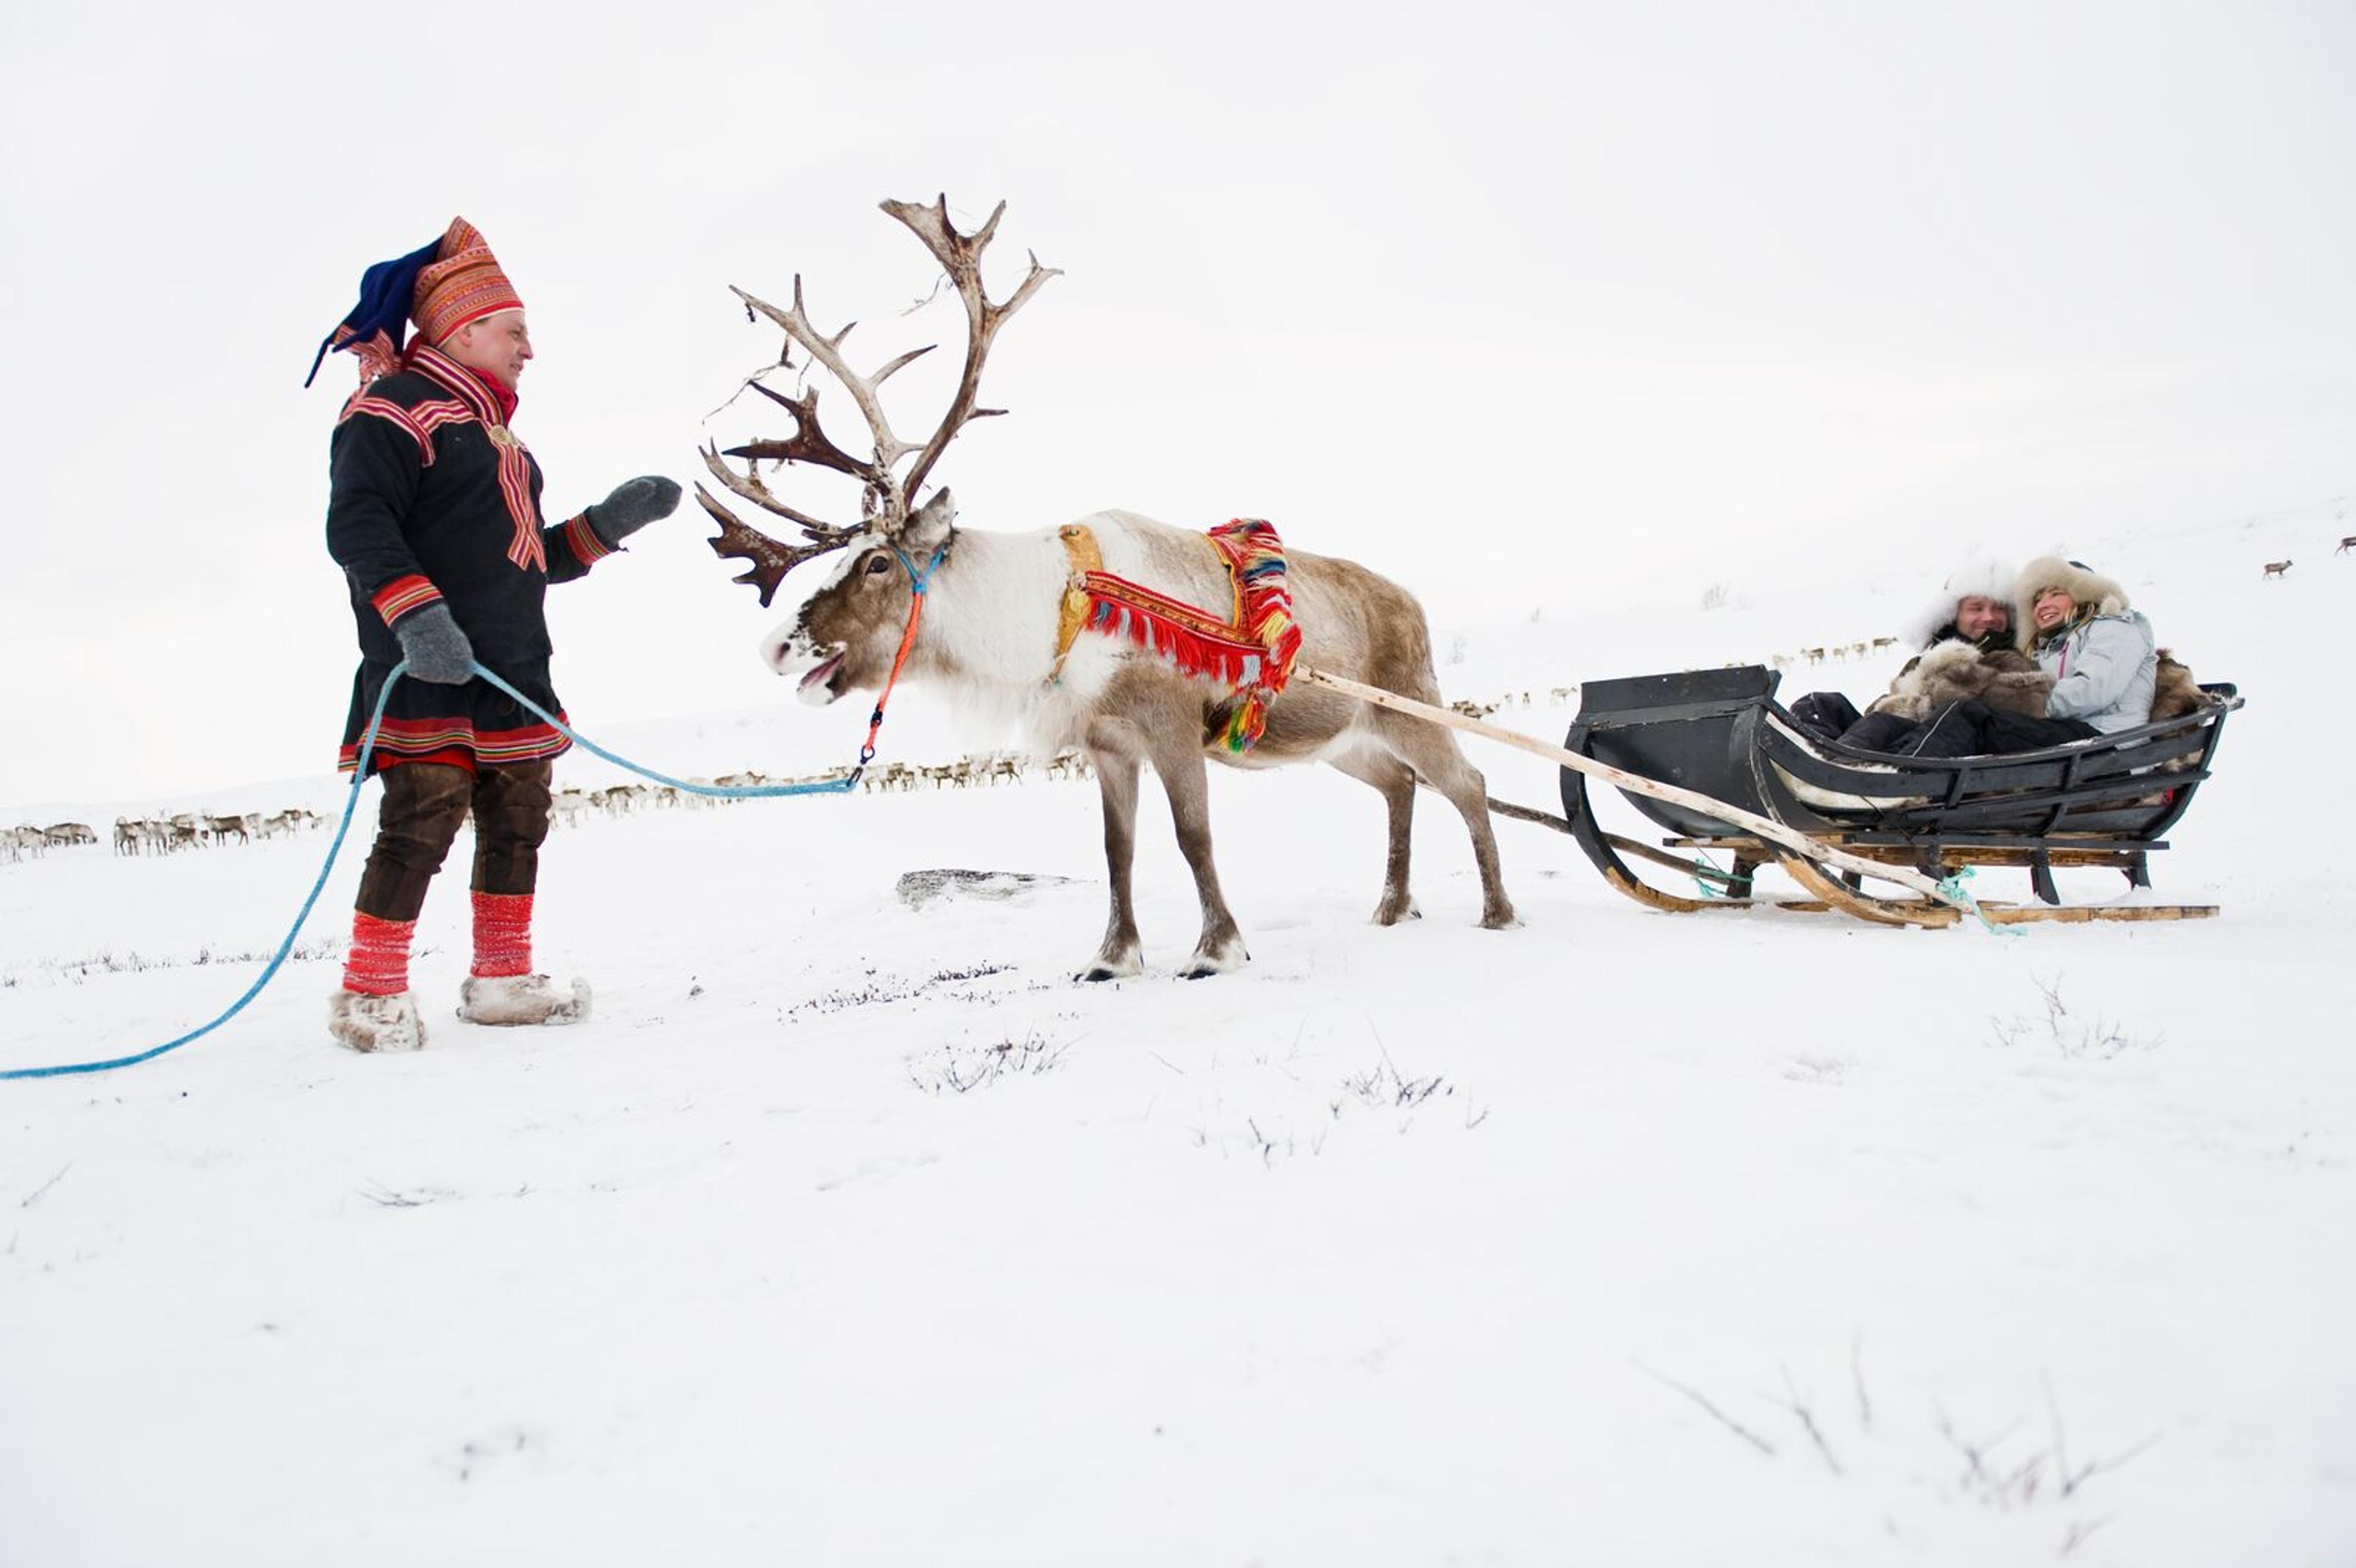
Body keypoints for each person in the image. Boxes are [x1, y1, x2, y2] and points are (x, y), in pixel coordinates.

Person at [307, 217, 680, 1053]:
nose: (528, 350)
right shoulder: (391, 410)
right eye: (515, 332)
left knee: (519, 820)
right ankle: (370, 993)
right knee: (422, 818)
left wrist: (606, 525)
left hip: (511, 667)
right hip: (426, 663)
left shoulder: (501, 439)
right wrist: (416, 616)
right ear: (465, 328)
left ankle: (504, 980)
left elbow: (525, 560)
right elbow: (358, 524)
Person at [1860, 555, 2157, 759]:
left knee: (1970, 715)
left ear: (2083, 593)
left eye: (2056, 593)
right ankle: (1859, 761)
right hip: (2080, 735)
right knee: (1833, 704)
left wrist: (2012, 701)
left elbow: (2093, 691)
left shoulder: (2115, 627)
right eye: (2036, 599)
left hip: (2106, 742)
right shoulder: (2052, 645)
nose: (2043, 604)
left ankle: (1901, 773)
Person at [1788, 556, 2045, 749]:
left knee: (1883, 724)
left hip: (1944, 761)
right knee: (1820, 704)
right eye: (1976, 608)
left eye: (1999, 609)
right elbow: (1878, 712)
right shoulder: (1922, 662)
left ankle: (1837, 769)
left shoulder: (2011, 660)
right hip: (1894, 746)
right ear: (1953, 615)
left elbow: (2008, 718)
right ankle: (1800, 761)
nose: (1988, 617)